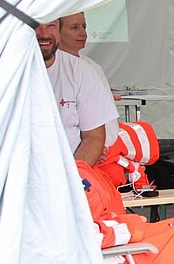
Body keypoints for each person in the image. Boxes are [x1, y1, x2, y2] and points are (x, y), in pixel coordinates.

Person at [58, 12, 159, 191]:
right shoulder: (45, 68)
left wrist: (99, 147)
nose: (82, 33)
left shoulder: (93, 68)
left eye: (84, 27)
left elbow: (109, 127)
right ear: (56, 31)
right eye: (74, 28)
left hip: (95, 155)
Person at [37, 20, 118, 166]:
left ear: (58, 31)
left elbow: (94, 138)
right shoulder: (2, 70)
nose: (44, 34)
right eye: (35, 26)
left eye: (51, 26)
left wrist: (74, 179)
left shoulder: (81, 70)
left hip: (70, 174)